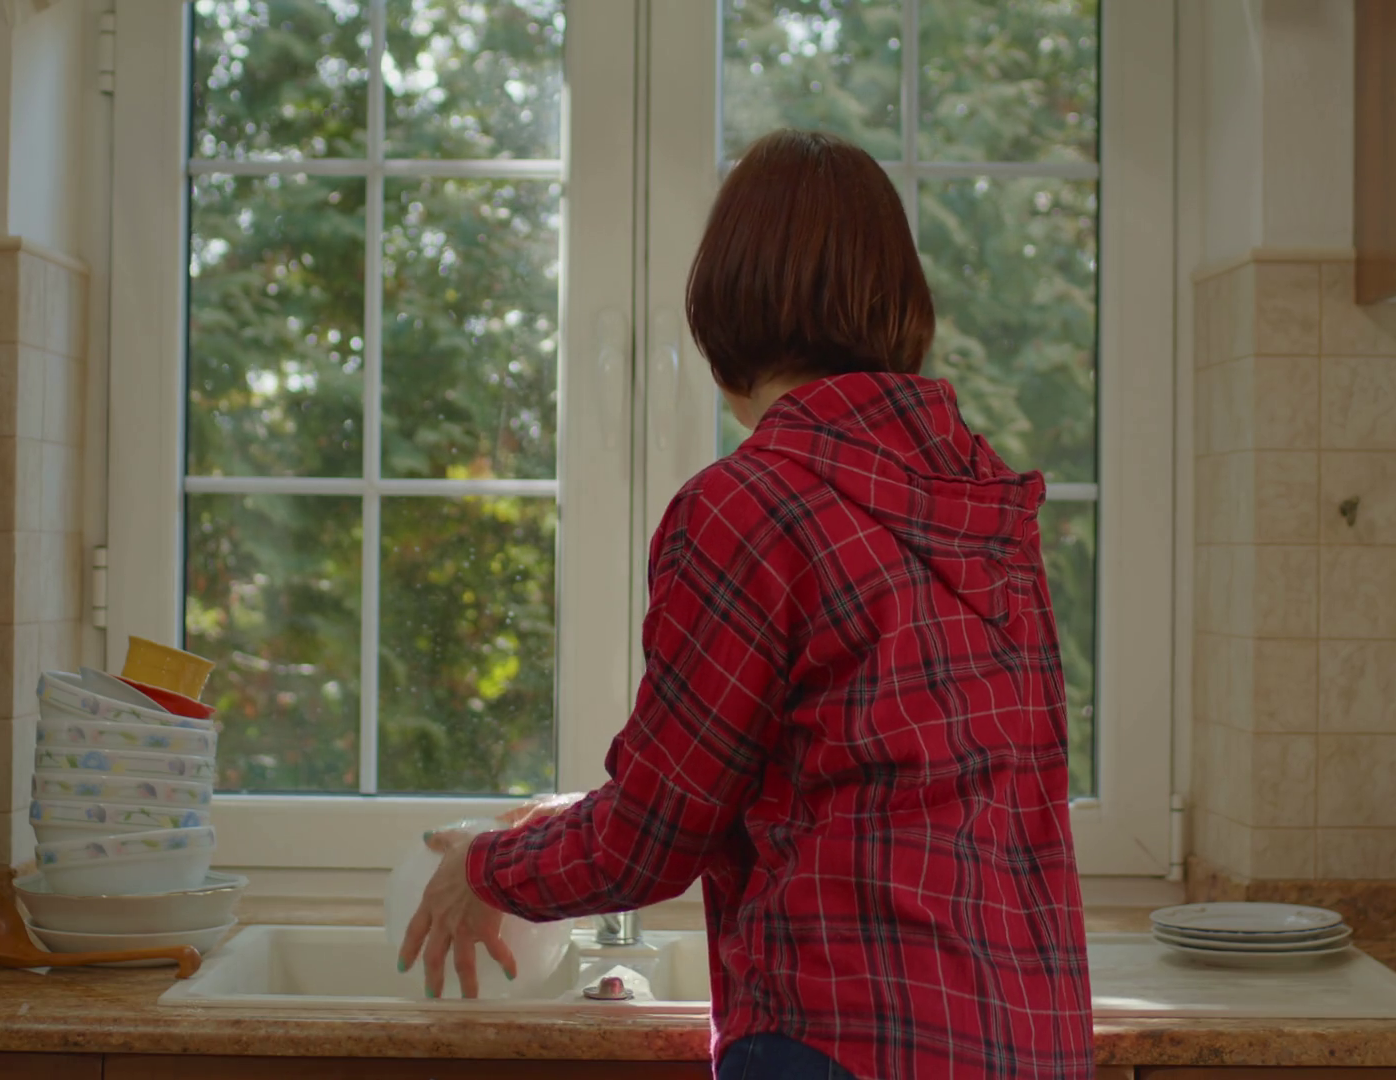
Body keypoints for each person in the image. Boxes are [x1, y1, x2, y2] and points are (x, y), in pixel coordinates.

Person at [397, 129, 1093, 1080]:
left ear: (725, 304)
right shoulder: (987, 508)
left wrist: (484, 867)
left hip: (843, 1041)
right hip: (1032, 1042)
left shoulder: (747, 507)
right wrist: (567, 819)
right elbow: (850, 781)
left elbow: (648, 845)